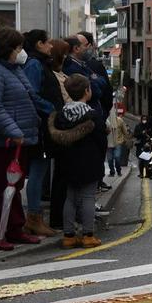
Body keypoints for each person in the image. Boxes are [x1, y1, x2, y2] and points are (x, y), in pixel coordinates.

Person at [0, 28, 41, 248]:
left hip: (17, 139)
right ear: (8, 49)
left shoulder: (13, 69)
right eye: (18, 48)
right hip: (3, 141)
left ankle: (15, 227)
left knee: (14, 187)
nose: (21, 52)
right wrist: (13, 131)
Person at [48, 75, 108, 248]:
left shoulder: (61, 115)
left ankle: (68, 235)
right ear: (87, 91)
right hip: (89, 161)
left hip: (67, 162)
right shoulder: (92, 115)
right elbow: (100, 140)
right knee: (88, 197)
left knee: (70, 198)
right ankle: (88, 234)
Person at [17, 30, 60, 239]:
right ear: (39, 44)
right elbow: (31, 92)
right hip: (41, 125)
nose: (51, 46)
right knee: (37, 171)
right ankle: (33, 217)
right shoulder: (34, 64)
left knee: (39, 170)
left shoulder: (39, 62)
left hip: (44, 123)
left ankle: (35, 218)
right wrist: (51, 108)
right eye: (47, 42)